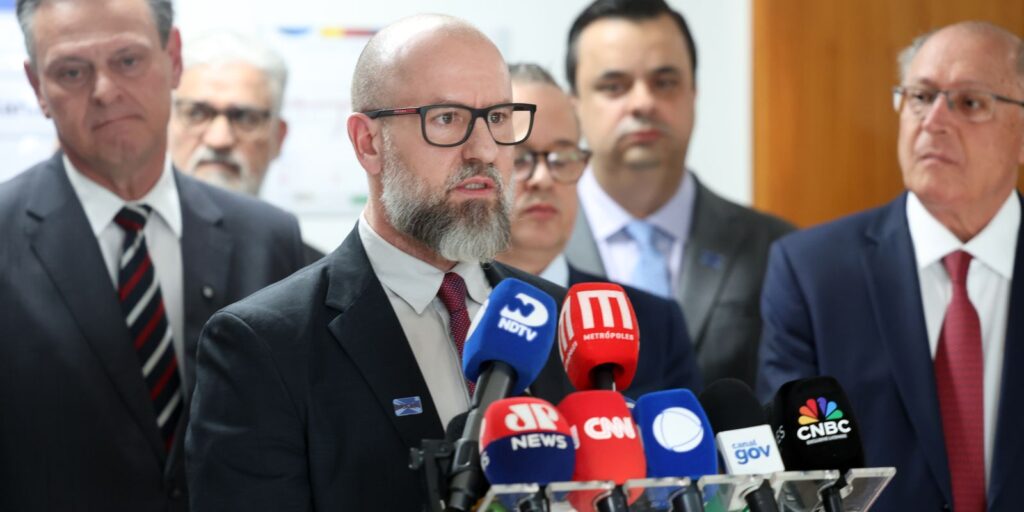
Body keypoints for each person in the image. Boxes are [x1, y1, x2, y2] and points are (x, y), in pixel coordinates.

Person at [185, 15, 573, 511]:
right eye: (447, 119)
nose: (484, 150)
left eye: (498, 118)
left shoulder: (559, 317)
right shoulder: (265, 345)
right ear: (368, 142)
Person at [0, 0, 308, 510]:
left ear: (174, 58)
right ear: (37, 87)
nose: (105, 90)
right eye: (72, 71)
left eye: (128, 60)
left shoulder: (268, 238)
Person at [757, 21, 1024, 512]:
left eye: (969, 102)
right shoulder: (811, 274)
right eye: (920, 97)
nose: (933, 121)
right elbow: (788, 482)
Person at [563, 0, 794, 388]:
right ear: (575, 106)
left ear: (693, 93)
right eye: (614, 86)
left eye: (664, 82)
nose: (643, 103)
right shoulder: (525, 247)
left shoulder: (774, 248)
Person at [497, 62, 702, 396]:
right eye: (520, 158)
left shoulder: (650, 323)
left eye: (562, 157)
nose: (544, 179)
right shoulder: (450, 311)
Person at [168, 30, 324, 263]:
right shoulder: (132, 260)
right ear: (165, 125)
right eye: (196, 114)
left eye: (246, 118)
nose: (219, 140)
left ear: (279, 137)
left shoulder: (316, 277)